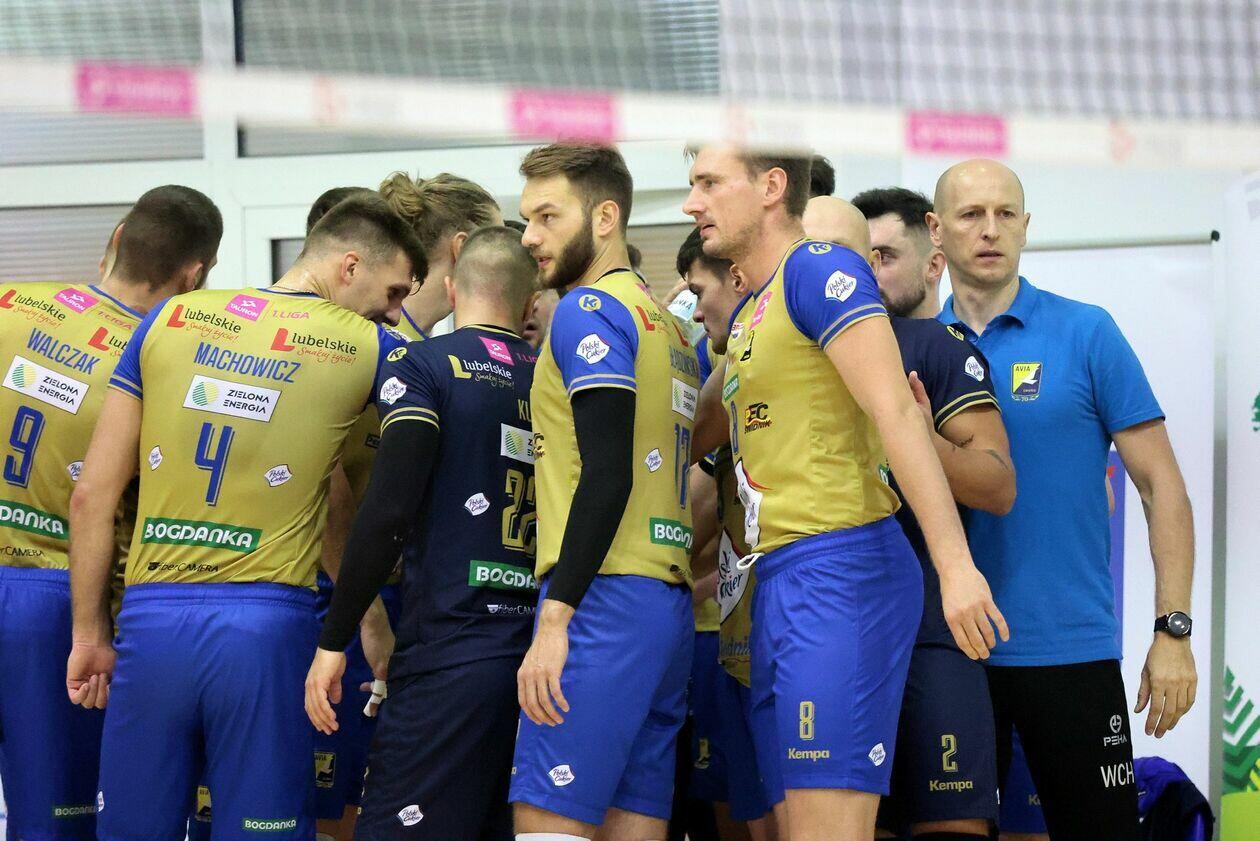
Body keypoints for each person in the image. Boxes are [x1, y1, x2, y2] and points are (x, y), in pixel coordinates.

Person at [66, 193, 423, 840]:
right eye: (394, 290)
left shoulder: (170, 316)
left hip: (152, 621)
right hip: (266, 628)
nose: (395, 310)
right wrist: (370, 622)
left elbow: (92, 493)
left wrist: (89, 632)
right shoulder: (373, 344)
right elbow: (361, 489)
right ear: (350, 265)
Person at [683, 145, 1006, 841]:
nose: (692, 202)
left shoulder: (819, 268)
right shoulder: (755, 308)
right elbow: (689, 435)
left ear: (771, 187)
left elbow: (898, 415)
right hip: (778, 578)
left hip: (840, 568)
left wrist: (954, 566)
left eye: (709, 183)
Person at [928, 159, 1197, 840]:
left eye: (1005, 214)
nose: (990, 230)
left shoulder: (1087, 331)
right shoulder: (917, 348)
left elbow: (1161, 484)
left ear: (1026, 226)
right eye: (970, 214)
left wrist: (1173, 631)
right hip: (949, 656)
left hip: (1071, 651)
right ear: (936, 229)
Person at [0, 185, 220, 841]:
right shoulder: (159, 357)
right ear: (194, 276)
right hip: (60, 600)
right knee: (57, 818)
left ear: (118, 236)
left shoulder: (9, 301)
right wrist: (95, 628)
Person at [306, 226, 541, 840]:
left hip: (449, 650)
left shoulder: (424, 364)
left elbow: (388, 509)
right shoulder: (553, 377)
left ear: (451, 287)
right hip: (538, 655)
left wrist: (335, 639)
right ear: (530, 303)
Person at [510, 143, 700, 841]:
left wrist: (555, 620)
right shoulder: (668, 323)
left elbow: (608, 472)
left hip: (599, 597)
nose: (529, 237)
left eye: (547, 216)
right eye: (526, 219)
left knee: (548, 829)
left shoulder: (587, 309)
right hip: (665, 605)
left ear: (605, 217)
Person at [811, 193, 1015, 841]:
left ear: (929, 263)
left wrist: (922, 440)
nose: (864, 273)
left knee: (949, 821)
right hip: (825, 624)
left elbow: (999, 484)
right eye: (857, 257)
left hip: (932, 626)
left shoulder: (934, 345)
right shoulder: (790, 343)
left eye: (883, 256)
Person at [676, 227, 778, 841]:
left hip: (790, 620)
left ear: (738, 279)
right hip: (733, 637)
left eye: (698, 291)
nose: (693, 311)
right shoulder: (723, 360)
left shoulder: (775, 352)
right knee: (745, 812)